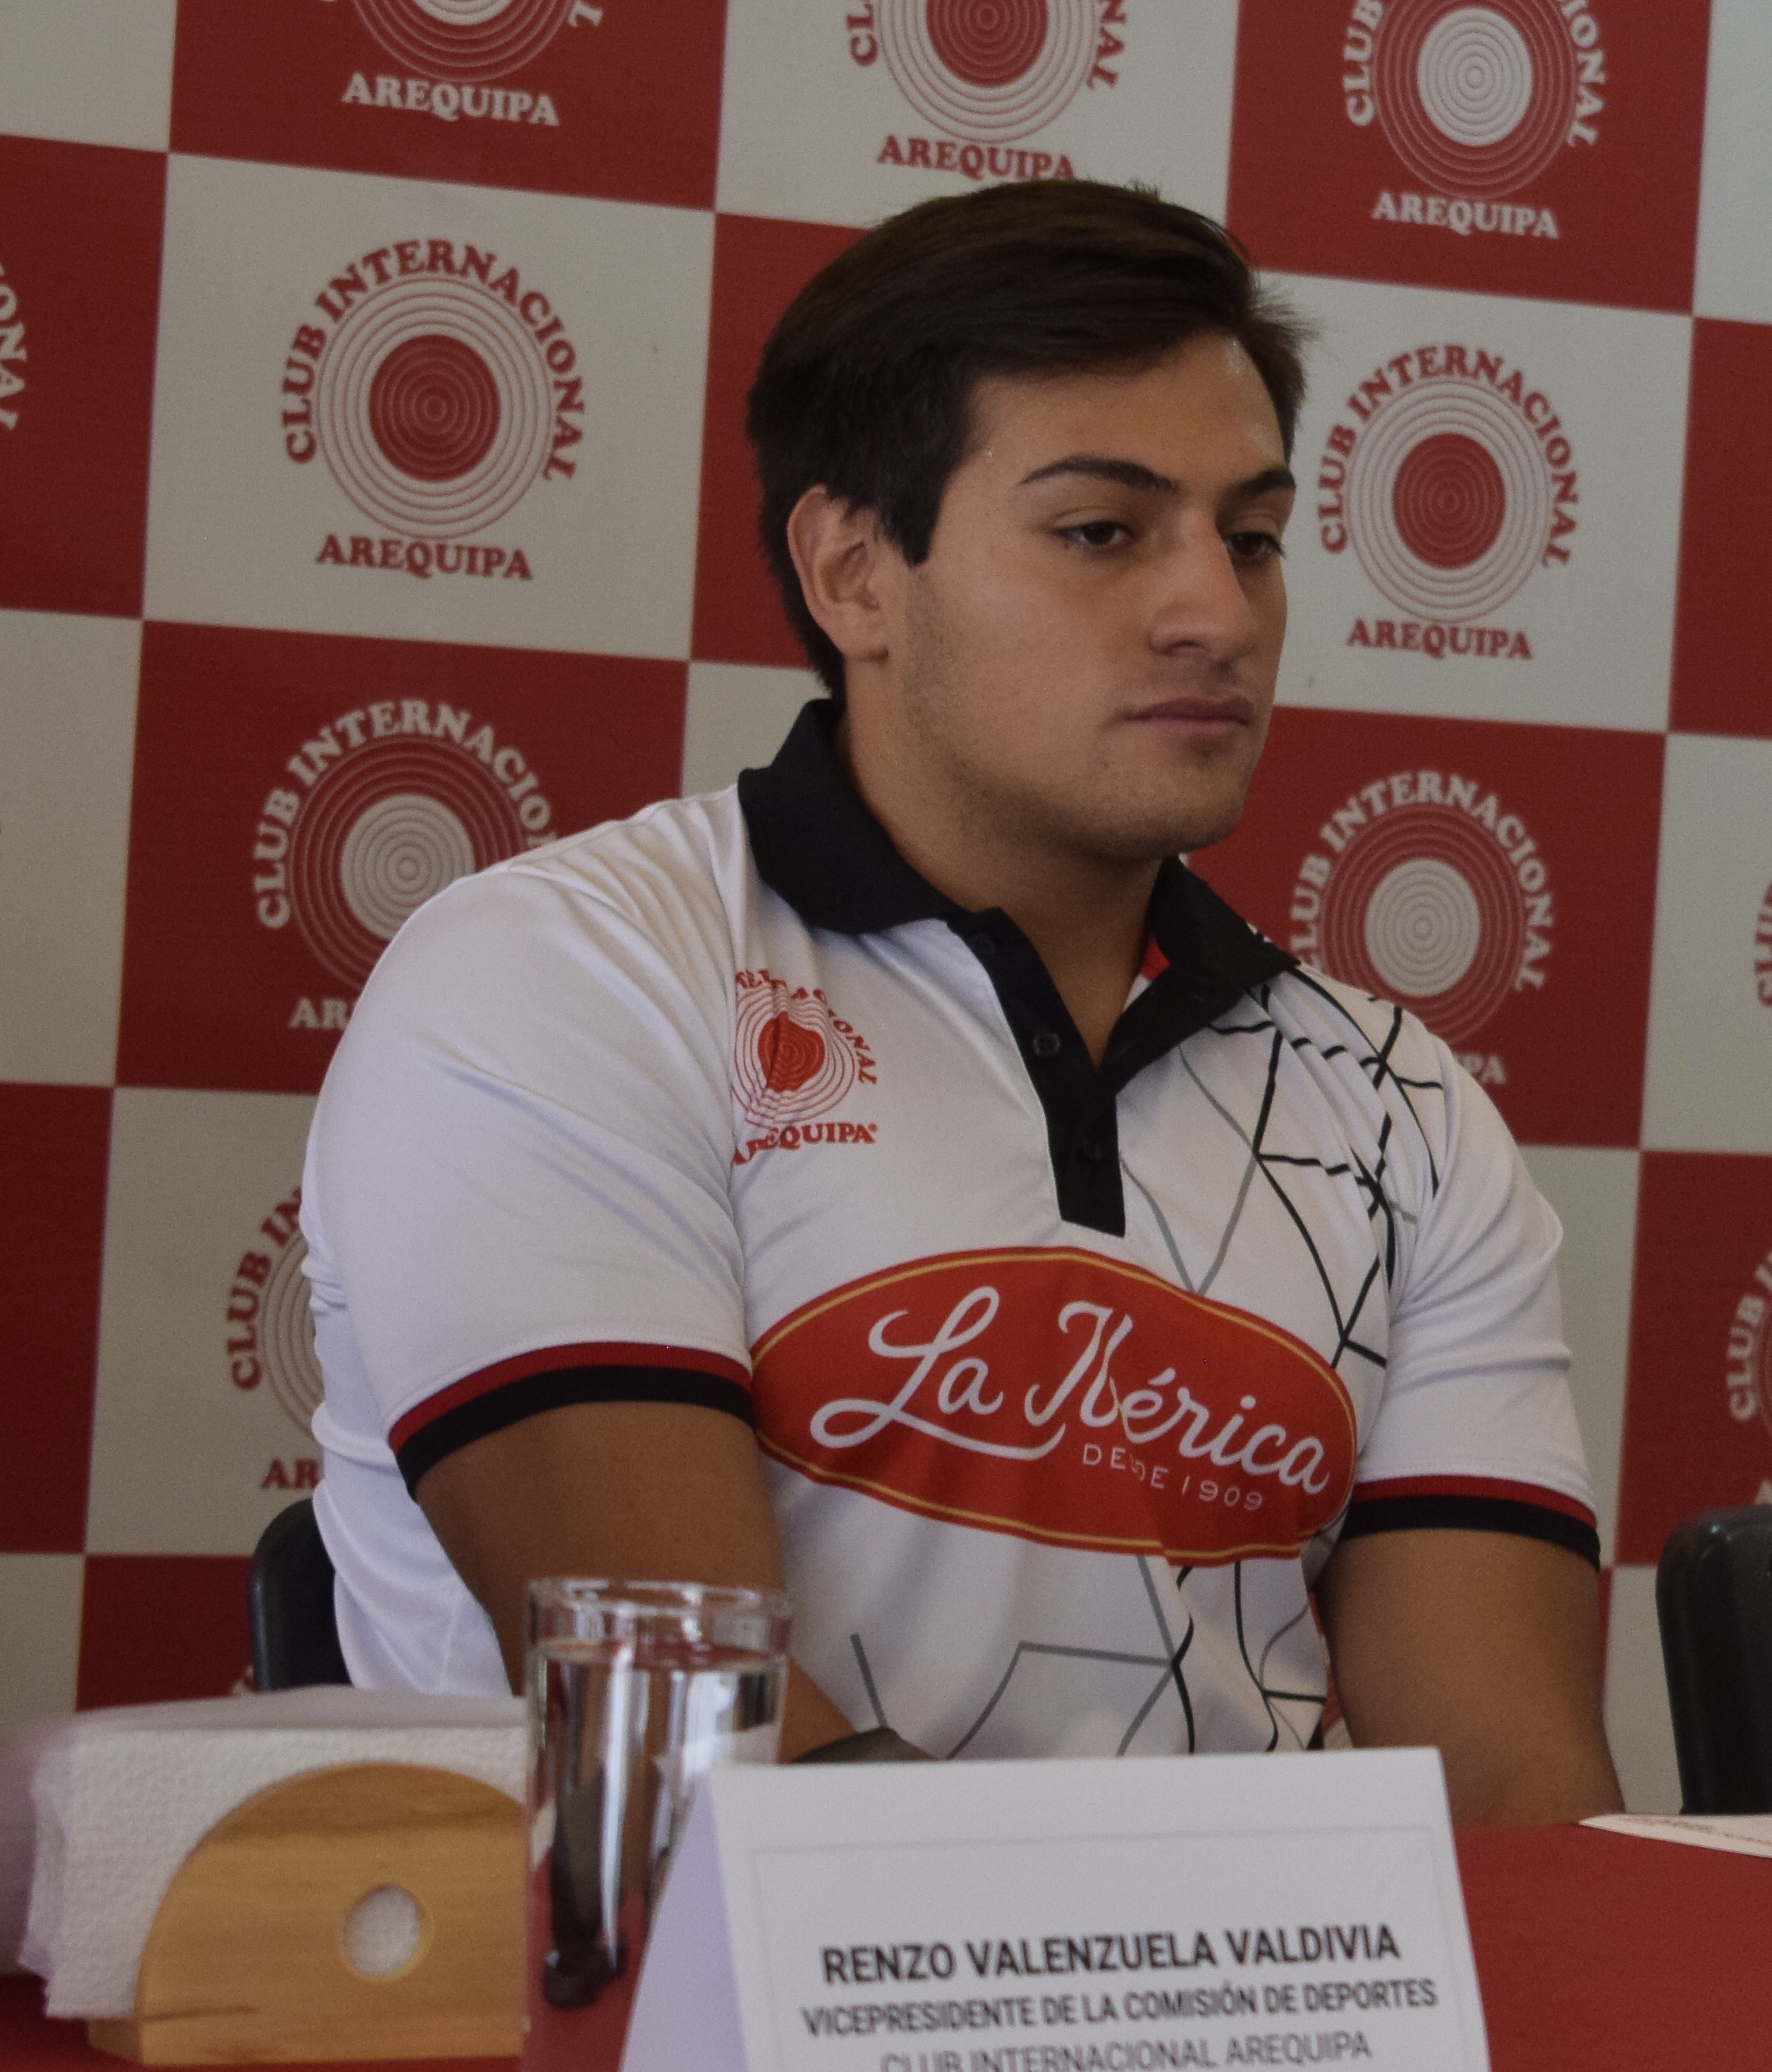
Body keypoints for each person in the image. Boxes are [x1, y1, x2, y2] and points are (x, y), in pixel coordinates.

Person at [300, 183, 1624, 1822]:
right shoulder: (562, 978)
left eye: (1254, 536)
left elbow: (1511, 1808)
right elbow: (705, 1754)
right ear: (854, 572)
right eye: (1101, 531)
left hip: (1252, 2042)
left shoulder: (1400, 1103)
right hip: (625, 2059)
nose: (1216, 610)